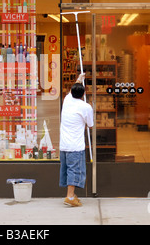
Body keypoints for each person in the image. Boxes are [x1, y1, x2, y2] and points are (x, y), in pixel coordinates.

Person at [59, 73, 94, 207]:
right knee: (74, 170)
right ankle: (70, 196)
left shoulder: (67, 100)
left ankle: (71, 195)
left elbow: (72, 90)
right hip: (75, 146)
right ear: (83, 94)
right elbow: (90, 124)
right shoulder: (85, 107)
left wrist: (79, 78)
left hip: (64, 145)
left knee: (68, 170)